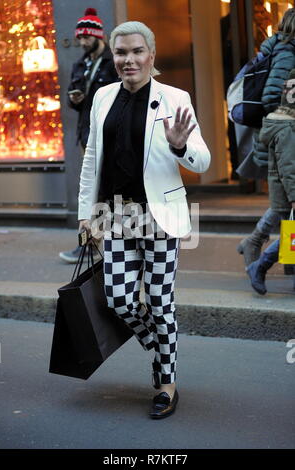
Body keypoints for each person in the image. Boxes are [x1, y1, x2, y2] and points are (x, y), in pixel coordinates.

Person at [77, 21, 211, 419]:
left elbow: (202, 162)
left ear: (151, 54)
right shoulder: (102, 97)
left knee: (158, 299)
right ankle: (161, 346)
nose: (128, 60)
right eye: (121, 53)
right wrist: (87, 215)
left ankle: (166, 383)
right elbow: (91, 161)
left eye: (137, 51)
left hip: (159, 217)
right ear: (113, 56)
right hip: (115, 215)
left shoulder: (173, 98)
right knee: (118, 298)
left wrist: (181, 145)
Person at [59, 8, 119, 263]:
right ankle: (88, 244)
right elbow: (73, 97)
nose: (82, 42)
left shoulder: (113, 61)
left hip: (113, 136)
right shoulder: (80, 64)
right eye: (79, 38)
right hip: (88, 135)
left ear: (98, 35)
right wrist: (75, 98)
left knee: (108, 191)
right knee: (92, 192)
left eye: (86, 37)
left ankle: (109, 243)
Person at [237, 8, 295, 267]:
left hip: (280, 132)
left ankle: (279, 256)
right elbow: (273, 96)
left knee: (284, 202)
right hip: (284, 134)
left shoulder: (281, 51)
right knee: (285, 201)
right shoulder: (287, 54)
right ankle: (260, 244)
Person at [246, 69, 295, 295]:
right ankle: (260, 264)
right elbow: (289, 167)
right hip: (289, 193)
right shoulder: (287, 128)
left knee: (292, 239)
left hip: (286, 192)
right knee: (291, 238)